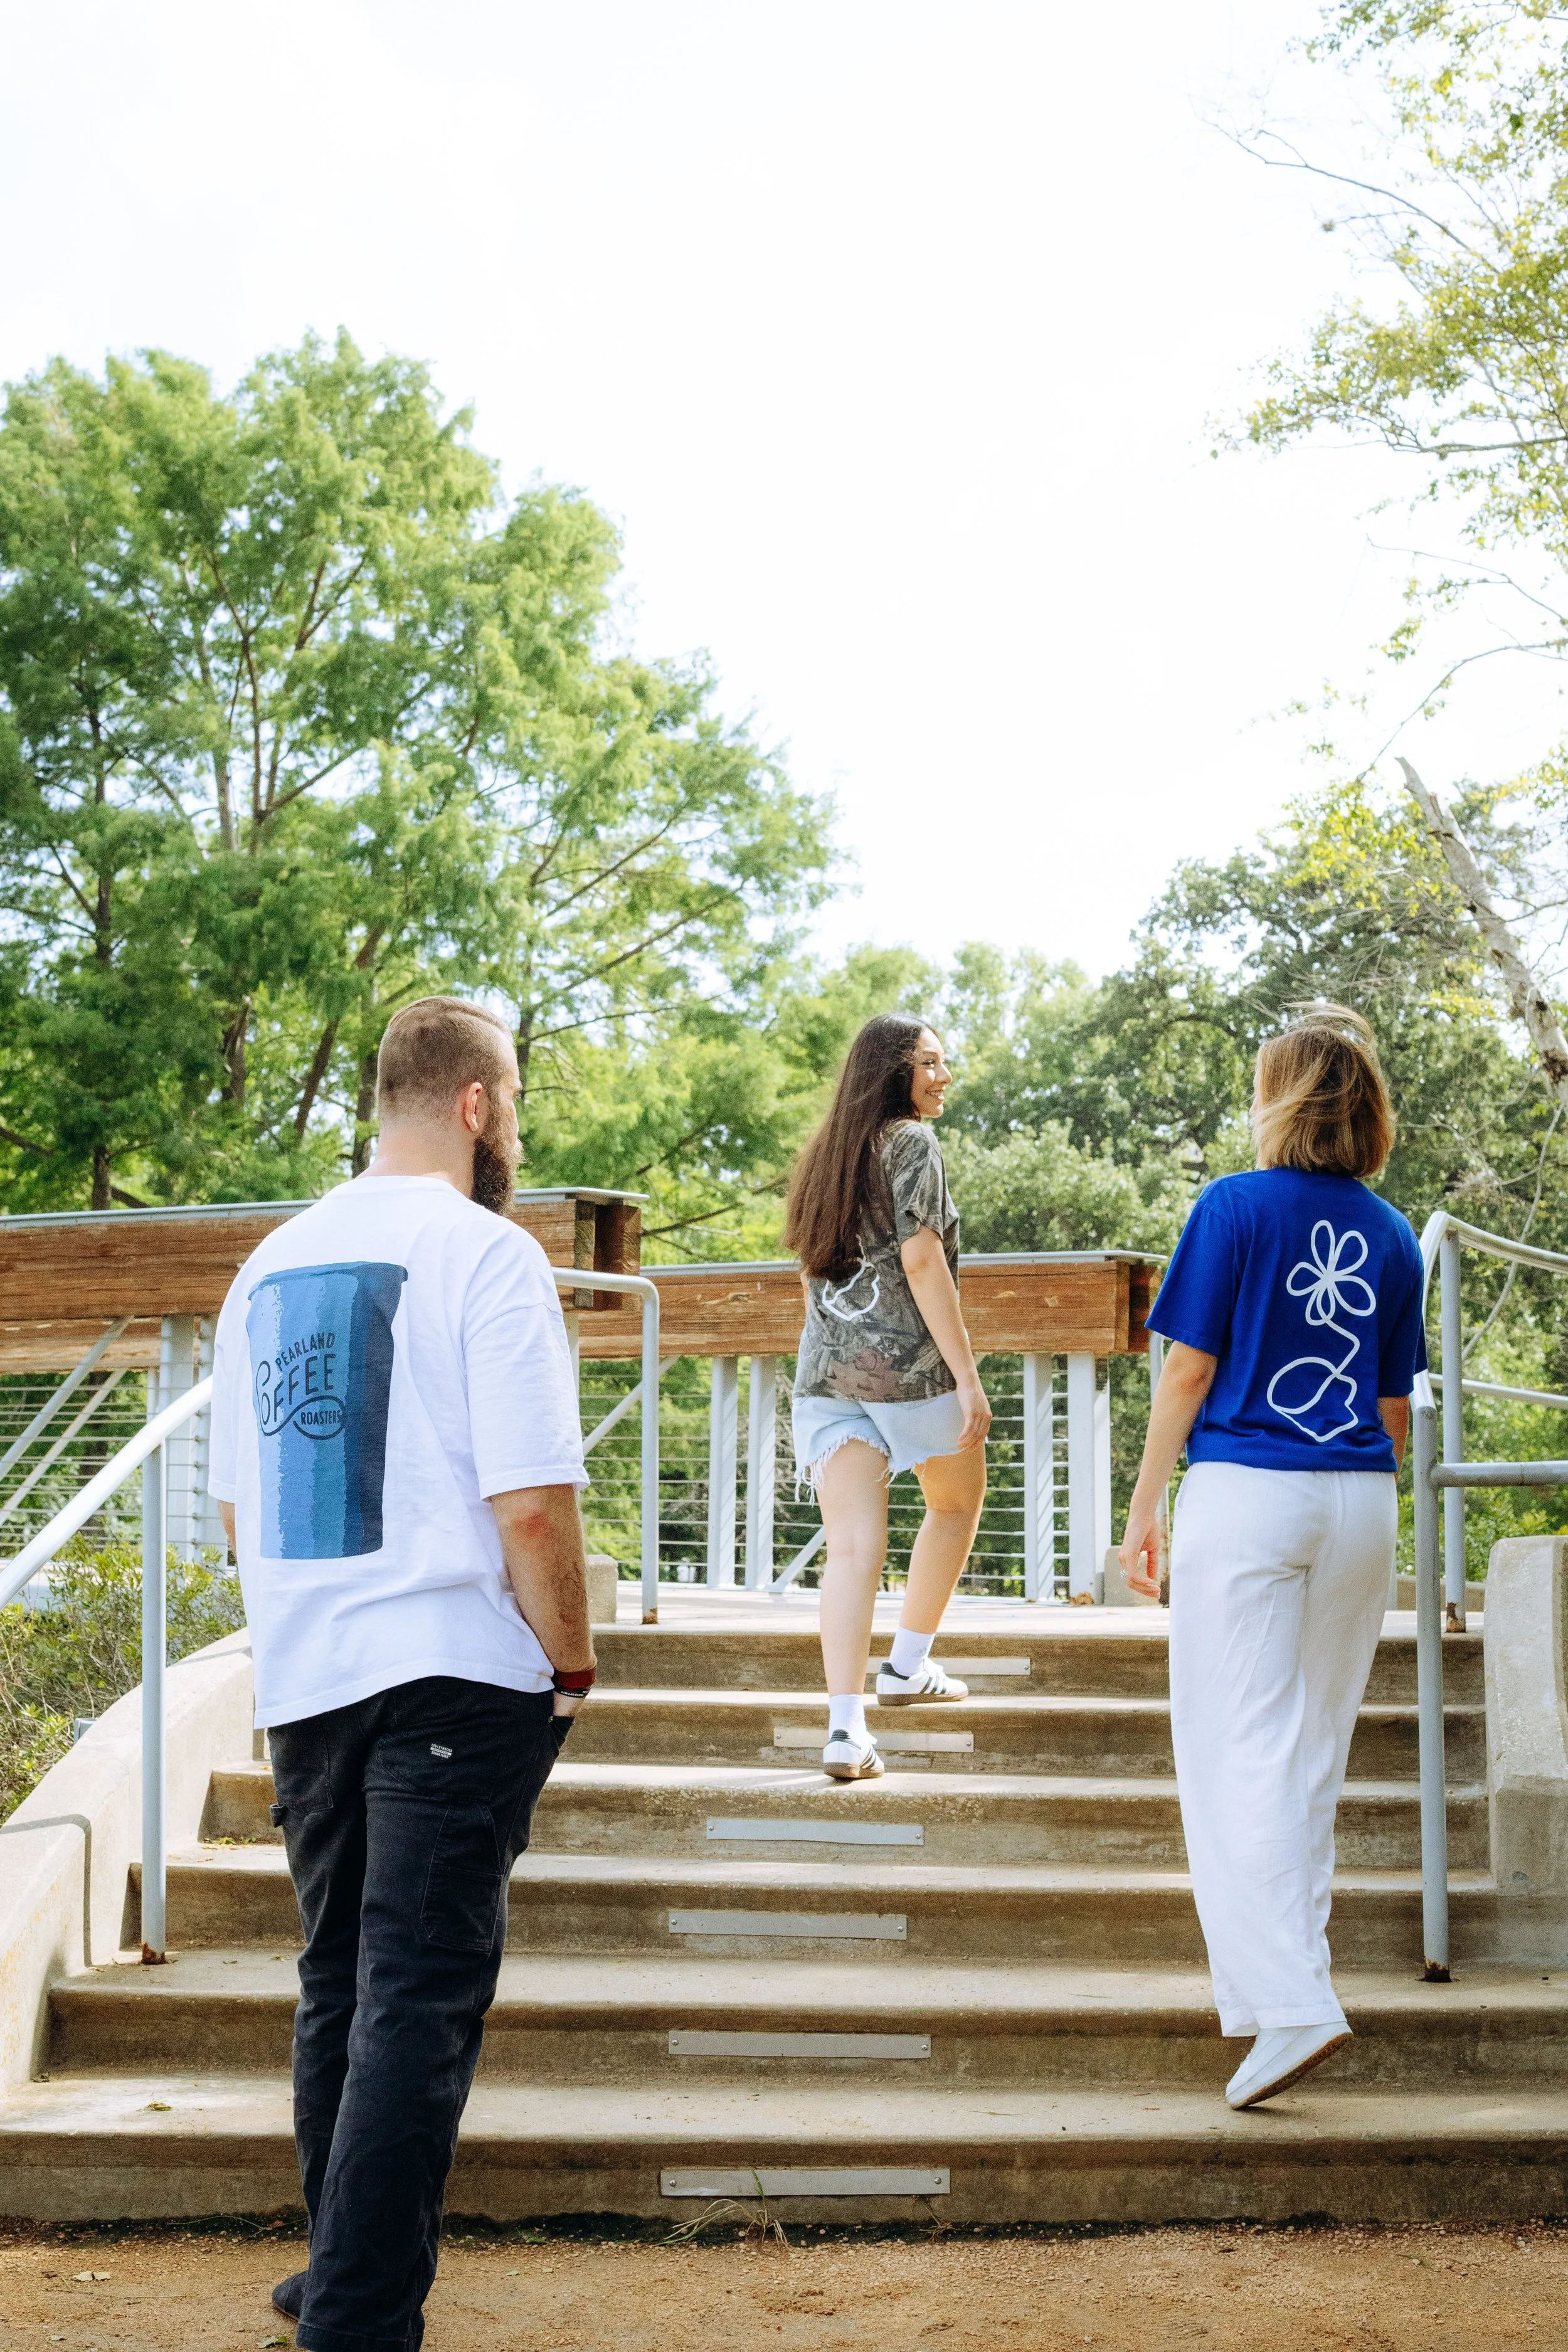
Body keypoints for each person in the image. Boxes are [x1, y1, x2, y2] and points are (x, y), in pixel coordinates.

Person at [207, 995, 593, 2352]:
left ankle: (334, 2272)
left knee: (339, 1985)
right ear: (479, 1105)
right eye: (517, 1104)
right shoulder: (486, 1256)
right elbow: (533, 1505)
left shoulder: (268, 1264)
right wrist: (571, 1658)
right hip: (454, 1671)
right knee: (419, 1995)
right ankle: (361, 2320)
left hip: (310, 1672)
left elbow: (243, 1514)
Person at [1118, 1005, 1426, 2112]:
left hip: (1248, 1492)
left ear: (1278, 1101)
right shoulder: (1391, 1235)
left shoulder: (1232, 1207)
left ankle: (1292, 2005)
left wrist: (1144, 1510)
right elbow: (1395, 1408)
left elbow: (1187, 1374)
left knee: (1228, 1750)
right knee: (1306, 1759)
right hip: (1360, 1497)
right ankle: (1280, 2000)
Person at [783, 1013, 991, 1780]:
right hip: (905, 1373)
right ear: (891, 1072)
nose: (943, 1076)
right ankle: (906, 1665)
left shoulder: (822, 1156)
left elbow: (808, 1272)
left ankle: (845, 1730)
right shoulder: (912, 1144)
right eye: (930, 1063)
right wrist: (966, 1377)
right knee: (955, 1502)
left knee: (852, 1549)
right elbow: (922, 1260)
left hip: (825, 1377)